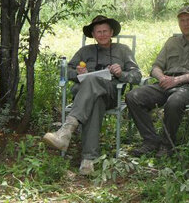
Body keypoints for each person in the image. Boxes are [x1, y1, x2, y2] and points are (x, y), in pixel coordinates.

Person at [43, 15, 141, 175]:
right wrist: (77, 73)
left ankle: (67, 130)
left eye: (105, 31)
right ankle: (88, 161)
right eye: (98, 32)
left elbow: (137, 76)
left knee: (92, 81)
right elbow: (66, 72)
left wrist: (121, 73)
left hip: (110, 94)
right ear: (93, 35)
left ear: (111, 33)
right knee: (95, 101)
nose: (102, 35)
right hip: (89, 98)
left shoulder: (123, 50)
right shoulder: (84, 51)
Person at [126, 6, 189, 157]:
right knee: (133, 96)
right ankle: (151, 140)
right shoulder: (172, 42)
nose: (185, 24)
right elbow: (156, 66)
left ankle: (167, 145)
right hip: (165, 83)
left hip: (188, 86)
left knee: (174, 102)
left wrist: (177, 80)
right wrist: (162, 78)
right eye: (182, 20)